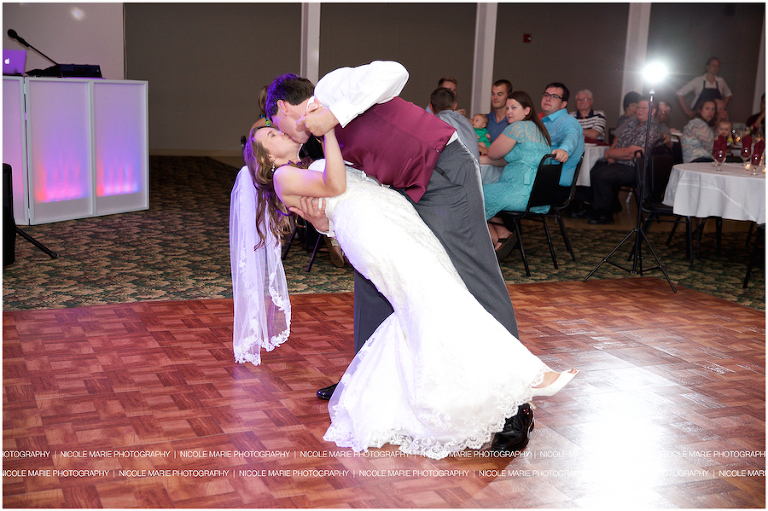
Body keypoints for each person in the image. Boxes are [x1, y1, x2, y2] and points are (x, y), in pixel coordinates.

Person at [238, 122, 577, 459]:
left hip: (396, 221)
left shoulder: (304, 168)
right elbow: (336, 184)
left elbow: (325, 219)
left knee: (433, 302)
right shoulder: (283, 177)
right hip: (374, 233)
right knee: (441, 299)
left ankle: (433, 396)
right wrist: (328, 133)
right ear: (266, 158)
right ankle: (526, 374)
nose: (279, 133)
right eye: (271, 136)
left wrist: (324, 210)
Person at [265, 61, 533, 448]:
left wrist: (334, 114)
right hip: (402, 192)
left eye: (275, 123)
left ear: (283, 107)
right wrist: (325, 220)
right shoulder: (316, 141)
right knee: (373, 275)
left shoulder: (331, 88)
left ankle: (515, 405)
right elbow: (356, 181)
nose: (284, 133)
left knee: (473, 276)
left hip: (443, 172)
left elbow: (395, 72)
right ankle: (367, 380)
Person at [480, 91, 552, 259]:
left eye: (514, 108)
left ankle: (493, 240)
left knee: (472, 193)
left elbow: (492, 153)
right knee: (484, 193)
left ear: (527, 110)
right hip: (538, 196)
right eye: (507, 108)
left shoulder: (518, 128)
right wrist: (477, 159)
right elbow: (506, 161)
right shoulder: (539, 131)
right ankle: (504, 234)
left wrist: (484, 155)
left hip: (518, 193)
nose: (509, 112)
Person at [583, 98, 664, 225]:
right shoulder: (633, 123)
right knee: (595, 168)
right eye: (638, 107)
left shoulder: (652, 129)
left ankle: (605, 214)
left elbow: (634, 153)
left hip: (636, 168)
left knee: (602, 175)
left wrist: (611, 153)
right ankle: (611, 205)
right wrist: (613, 153)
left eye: (644, 108)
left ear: (653, 111)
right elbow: (619, 139)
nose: (640, 110)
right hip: (622, 162)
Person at [540, 82, 585, 193]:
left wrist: (563, 150)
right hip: (542, 178)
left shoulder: (567, 121)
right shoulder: (544, 122)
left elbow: (571, 136)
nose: (548, 99)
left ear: (563, 104)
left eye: (554, 96)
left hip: (554, 185)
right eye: (546, 95)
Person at [430, 88, 480, 161]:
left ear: (430, 107)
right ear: (455, 106)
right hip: (475, 171)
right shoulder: (467, 123)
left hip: (450, 170)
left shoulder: (434, 123)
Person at [485, 79, 513, 147]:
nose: (495, 97)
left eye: (499, 94)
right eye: (493, 94)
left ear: (508, 96)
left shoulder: (513, 122)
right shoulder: (484, 119)